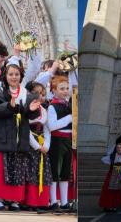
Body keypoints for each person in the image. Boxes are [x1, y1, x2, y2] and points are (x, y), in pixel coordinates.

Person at [0, 63, 41, 211]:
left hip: (19, 137)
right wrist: (9, 106)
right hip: (2, 135)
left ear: (21, 76)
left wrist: (33, 111)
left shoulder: (27, 94)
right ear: (5, 76)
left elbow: (30, 115)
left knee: (17, 169)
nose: (14, 77)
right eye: (11, 74)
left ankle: (13, 199)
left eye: (16, 74)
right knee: (0, 170)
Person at [23, 82, 52, 210]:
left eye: (43, 94)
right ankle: (30, 201)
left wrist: (46, 145)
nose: (41, 96)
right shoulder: (26, 108)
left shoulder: (44, 110)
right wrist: (36, 146)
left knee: (41, 173)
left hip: (42, 144)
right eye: (38, 93)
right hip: (30, 144)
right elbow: (26, 129)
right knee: (30, 172)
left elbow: (47, 130)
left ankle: (41, 201)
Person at [47, 75, 73, 212]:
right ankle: (53, 201)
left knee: (65, 172)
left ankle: (64, 202)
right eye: (61, 88)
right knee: (54, 171)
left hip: (68, 140)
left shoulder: (70, 105)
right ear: (54, 90)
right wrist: (69, 119)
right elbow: (52, 126)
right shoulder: (52, 106)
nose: (65, 91)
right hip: (57, 140)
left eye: (67, 88)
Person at [99, 141, 121, 212]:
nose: (119, 149)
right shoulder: (112, 156)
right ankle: (107, 205)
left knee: (116, 191)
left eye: (120, 148)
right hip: (111, 175)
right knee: (108, 190)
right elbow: (103, 159)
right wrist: (110, 162)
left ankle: (114, 205)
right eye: (118, 148)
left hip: (118, 175)